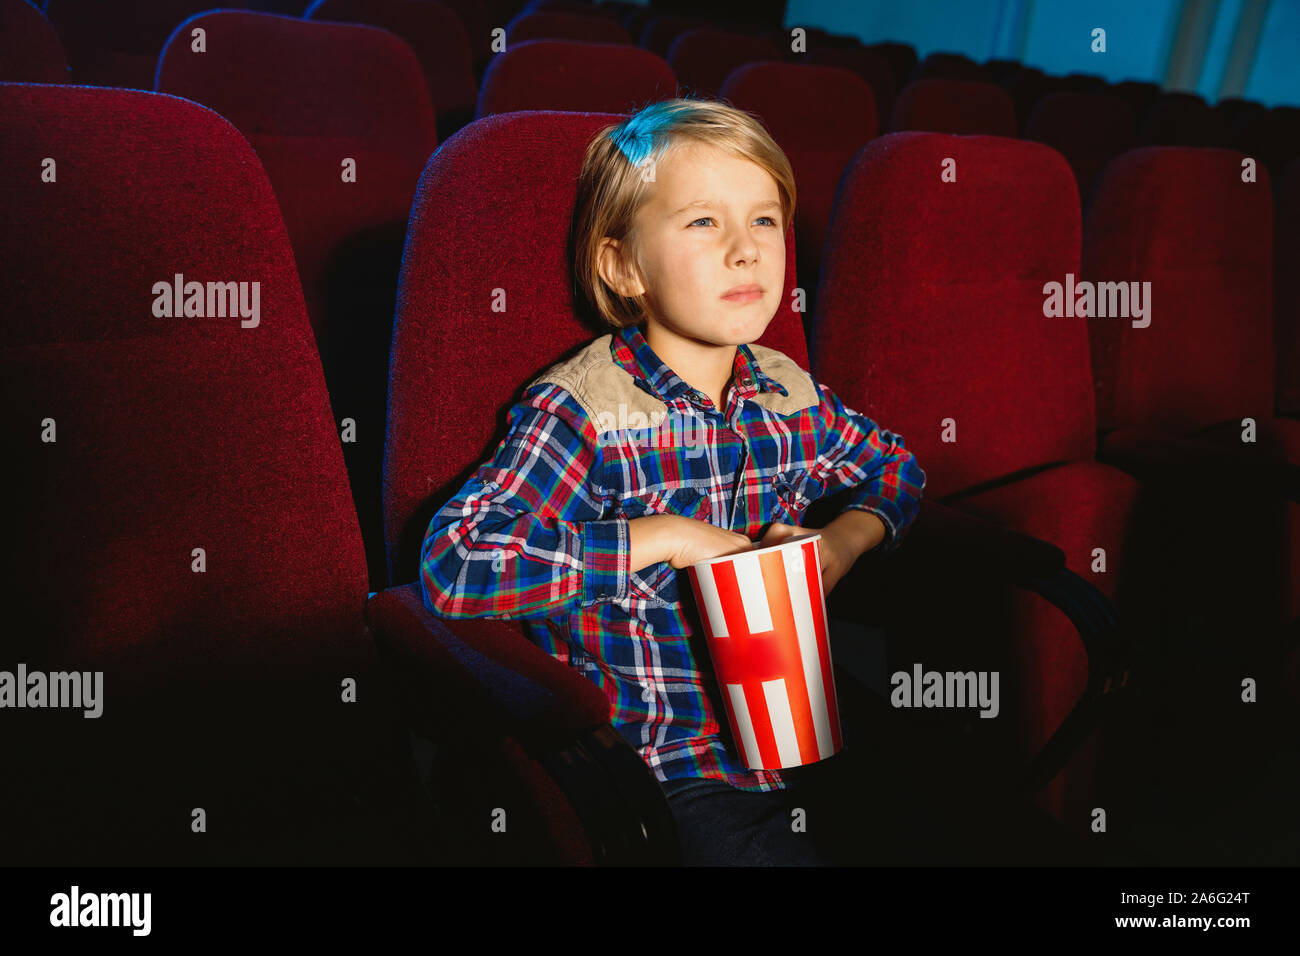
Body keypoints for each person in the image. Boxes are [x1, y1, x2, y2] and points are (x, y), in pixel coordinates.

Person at [420, 97, 926, 865]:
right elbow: (453, 565)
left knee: (949, 809)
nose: (746, 250)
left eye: (764, 221)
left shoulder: (786, 391)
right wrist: (665, 538)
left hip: (801, 729)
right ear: (623, 266)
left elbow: (897, 466)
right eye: (702, 222)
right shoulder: (584, 409)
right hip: (669, 762)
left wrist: (841, 545)